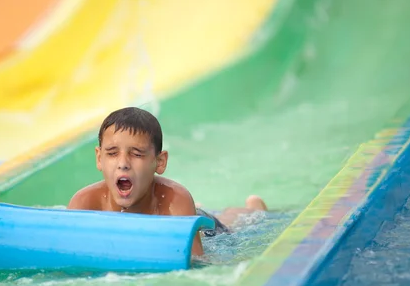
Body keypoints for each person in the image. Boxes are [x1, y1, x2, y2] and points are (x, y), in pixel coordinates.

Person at [67, 107, 267, 256]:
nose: (123, 164)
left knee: (234, 222)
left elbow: (198, 262)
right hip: (180, 219)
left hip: (205, 230)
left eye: (136, 154)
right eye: (112, 153)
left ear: (159, 162)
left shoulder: (174, 200)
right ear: (99, 158)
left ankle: (254, 208)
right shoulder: (85, 203)